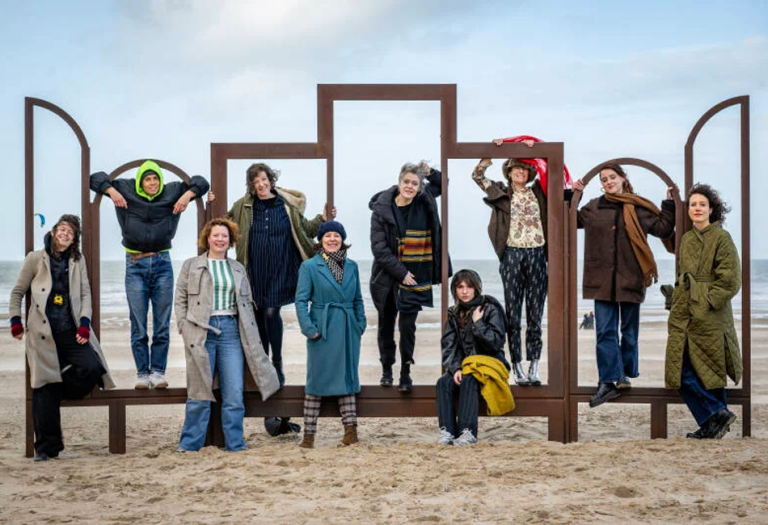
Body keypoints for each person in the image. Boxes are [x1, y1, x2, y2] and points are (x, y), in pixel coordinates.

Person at [224, 162, 334, 436]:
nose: (260, 185)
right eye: (255, 182)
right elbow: (225, 227)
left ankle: (278, 362)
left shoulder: (286, 204)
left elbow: (307, 230)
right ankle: (271, 400)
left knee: (272, 314)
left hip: (281, 269)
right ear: (251, 185)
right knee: (259, 325)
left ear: (271, 180)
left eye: (264, 179)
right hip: (255, 272)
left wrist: (322, 220)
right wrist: (212, 204)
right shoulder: (243, 206)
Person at [90, 161, 210, 389]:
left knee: (162, 323)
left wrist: (188, 195)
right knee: (138, 323)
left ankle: (157, 372)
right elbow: (94, 178)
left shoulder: (173, 191)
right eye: (147, 179)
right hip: (135, 265)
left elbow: (202, 182)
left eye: (155, 178)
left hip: (163, 263)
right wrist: (111, 190)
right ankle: (143, 374)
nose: (152, 183)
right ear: (140, 181)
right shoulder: (125, 188)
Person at [9, 215, 115, 461]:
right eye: (63, 229)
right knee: (42, 387)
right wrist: (15, 321)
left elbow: (86, 294)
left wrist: (85, 323)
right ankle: (46, 448)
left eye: (72, 232)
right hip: (42, 333)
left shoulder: (78, 260)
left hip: (70, 331)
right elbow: (17, 293)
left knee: (92, 368)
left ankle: (56, 388)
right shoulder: (35, 258)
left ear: (74, 239)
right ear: (55, 231)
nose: (66, 234)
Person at [573, 163, 675, 407]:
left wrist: (669, 204)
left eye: (612, 177)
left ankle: (624, 374)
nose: (608, 182)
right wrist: (573, 196)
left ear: (622, 178)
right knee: (604, 332)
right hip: (600, 279)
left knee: (629, 334)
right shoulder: (594, 207)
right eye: (604, 179)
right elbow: (571, 220)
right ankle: (608, 381)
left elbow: (662, 229)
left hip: (631, 278)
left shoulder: (638, 207)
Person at [473, 137, 573, 386]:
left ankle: (534, 365)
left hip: (538, 254)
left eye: (525, 168)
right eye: (516, 167)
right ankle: (516, 366)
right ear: (509, 171)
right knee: (513, 315)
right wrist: (487, 158)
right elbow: (478, 177)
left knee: (535, 315)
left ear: (530, 172)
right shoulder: (502, 191)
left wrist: (534, 149)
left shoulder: (539, 191)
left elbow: (555, 173)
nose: (520, 171)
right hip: (512, 255)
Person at [175, 218, 280, 452]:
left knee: (233, 393)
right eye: (216, 235)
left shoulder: (237, 268)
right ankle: (189, 444)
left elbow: (246, 303)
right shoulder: (191, 265)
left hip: (232, 331)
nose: (220, 239)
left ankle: (235, 443)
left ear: (230, 241)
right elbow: (180, 298)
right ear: (207, 238)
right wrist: (183, 325)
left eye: (225, 236)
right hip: (201, 330)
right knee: (199, 390)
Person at [665, 184, 741, 439]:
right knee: (682, 370)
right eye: (693, 205)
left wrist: (706, 300)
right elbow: (680, 270)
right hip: (686, 312)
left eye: (702, 204)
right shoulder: (687, 239)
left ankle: (713, 422)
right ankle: (716, 414)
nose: (697, 209)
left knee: (712, 369)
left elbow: (730, 280)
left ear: (711, 209)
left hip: (712, 315)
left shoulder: (722, 238)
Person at [369, 161, 449, 392]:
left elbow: (443, 183)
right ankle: (387, 370)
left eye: (415, 183)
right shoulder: (381, 209)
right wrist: (401, 272)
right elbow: (379, 249)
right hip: (387, 277)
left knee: (407, 327)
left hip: (416, 275)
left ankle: (405, 371)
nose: (410, 186)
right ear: (399, 181)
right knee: (385, 326)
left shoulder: (424, 200)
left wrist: (429, 172)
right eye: (407, 182)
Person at [294, 221, 366, 448]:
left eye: (336, 235)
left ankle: (350, 431)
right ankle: (308, 435)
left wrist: (359, 324)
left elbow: (357, 299)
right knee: (316, 379)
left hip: (347, 328)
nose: (332, 239)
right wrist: (309, 328)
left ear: (342, 239)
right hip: (321, 328)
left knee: (347, 377)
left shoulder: (352, 266)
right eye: (328, 235)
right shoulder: (309, 266)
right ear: (321, 240)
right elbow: (300, 300)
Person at [437, 269, 512, 446]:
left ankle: (467, 432)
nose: (465, 291)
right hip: (464, 365)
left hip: (489, 363)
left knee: (469, 379)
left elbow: (496, 343)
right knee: (443, 382)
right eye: (460, 287)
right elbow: (448, 346)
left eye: (469, 287)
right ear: (454, 290)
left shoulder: (490, 308)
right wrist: (455, 368)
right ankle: (447, 431)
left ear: (476, 288)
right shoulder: (454, 313)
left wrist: (479, 324)